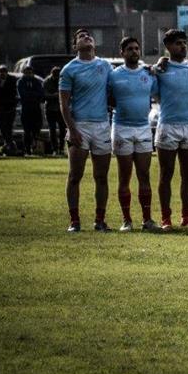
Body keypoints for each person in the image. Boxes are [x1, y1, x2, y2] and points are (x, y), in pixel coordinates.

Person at [59, 28, 114, 232]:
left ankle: (100, 221)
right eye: (81, 36)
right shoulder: (69, 70)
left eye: (88, 35)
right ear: (75, 46)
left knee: (101, 177)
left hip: (101, 126)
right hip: (79, 126)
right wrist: (71, 129)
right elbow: (63, 104)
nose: (86, 37)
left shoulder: (105, 65)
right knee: (75, 176)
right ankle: (74, 221)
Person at [152, 29, 188, 229]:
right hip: (167, 126)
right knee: (166, 174)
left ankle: (186, 217)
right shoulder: (160, 69)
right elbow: (155, 94)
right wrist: (156, 65)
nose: (183, 46)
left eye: (184, 42)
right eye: (178, 43)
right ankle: (166, 218)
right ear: (168, 47)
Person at [109, 37, 157, 231]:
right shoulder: (113, 75)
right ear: (122, 52)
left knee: (144, 175)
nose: (134, 52)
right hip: (121, 128)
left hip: (143, 128)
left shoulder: (148, 73)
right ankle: (126, 220)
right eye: (130, 49)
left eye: (137, 48)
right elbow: (108, 97)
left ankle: (147, 220)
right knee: (124, 176)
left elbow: (157, 93)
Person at [17, 65, 46, 155]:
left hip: (36, 109)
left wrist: (31, 95)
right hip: (26, 109)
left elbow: (41, 93)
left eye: (30, 72)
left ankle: (36, 147)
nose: (29, 74)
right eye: (27, 72)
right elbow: (23, 94)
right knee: (27, 130)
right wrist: (33, 95)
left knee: (36, 130)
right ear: (24, 73)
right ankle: (27, 148)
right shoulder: (20, 82)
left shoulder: (36, 82)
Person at [0, 65, 19, 154]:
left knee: (9, 127)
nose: (2, 73)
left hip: (10, 107)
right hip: (0, 108)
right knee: (2, 128)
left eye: (4, 71)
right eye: (1, 72)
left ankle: (9, 145)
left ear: (7, 72)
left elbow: (14, 92)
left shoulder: (13, 80)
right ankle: (10, 144)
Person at [44, 67, 65, 155]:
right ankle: (55, 149)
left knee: (62, 130)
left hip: (60, 109)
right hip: (50, 109)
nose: (56, 78)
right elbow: (45, 95)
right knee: (52, 130)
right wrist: (56, 95)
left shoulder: (63, 80)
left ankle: (61, 148)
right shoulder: (46, 82)